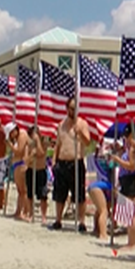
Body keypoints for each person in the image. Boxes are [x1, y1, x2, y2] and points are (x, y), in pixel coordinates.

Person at [50, 97, 90, 232]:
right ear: (66, 108)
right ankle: (58, 220)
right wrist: (54, 161)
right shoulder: (61, 125)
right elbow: (58, 144)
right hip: (62, 162)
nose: (72, 111)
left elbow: (88, 142)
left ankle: (82, 222)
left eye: (75, 108)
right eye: (70, 108)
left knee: (79, 194)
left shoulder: (82, 124)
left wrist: (80, 133)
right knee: (60, 193)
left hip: (76, 162)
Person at [24, 125, 49, 223]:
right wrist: (31, 155)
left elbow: (41, 153)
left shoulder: (43, 143)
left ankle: (44, 216)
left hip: (41, 170)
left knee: (43, 195)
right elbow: (26, 160)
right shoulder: (28, 145)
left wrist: (38, 141)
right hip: (31, 170)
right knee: (30, 194)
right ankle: (31, 214)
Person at [9, 123, 29, 221]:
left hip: (21, 163)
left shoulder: (22, 135)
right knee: (19, 190)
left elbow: (19, 151)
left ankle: (25, 211)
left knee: (23, 190)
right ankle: (18, 210)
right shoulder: (17, 138)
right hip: (16, 163)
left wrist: (10, 146)